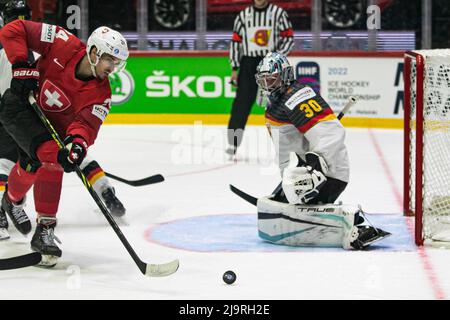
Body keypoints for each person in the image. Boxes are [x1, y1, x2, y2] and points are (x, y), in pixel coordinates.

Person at [0, 15, 128, 266]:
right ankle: (45, 229)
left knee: (30, 165)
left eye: (116, 62)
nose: (112, 68)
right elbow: (13, 29)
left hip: (50, 128)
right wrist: (21, 64)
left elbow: (86, 125)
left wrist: (78, 143)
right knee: (53, 157)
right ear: (93, 51)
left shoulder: (101, 94)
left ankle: (11, 200)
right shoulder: (62, 41)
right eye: (109, 60)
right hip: (21, 108)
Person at [252, 51, 390, 250]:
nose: (268, 85)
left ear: (285, 76)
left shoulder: (296, 97)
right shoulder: (276, 104)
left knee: (289, 208)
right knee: (277, 208)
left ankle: (354, 222)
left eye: (272, 80)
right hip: (301, 174)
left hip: (326, 174)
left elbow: (331, 133)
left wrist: (313, 166)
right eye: (264, 81)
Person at [226, 0, 294, 156]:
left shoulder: (278, 13)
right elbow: (236, 42)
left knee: (281, 103)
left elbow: (288, 37)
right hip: (249, 63)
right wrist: (235, 68)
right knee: (241, 104)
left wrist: (277, 58)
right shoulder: (243, 16)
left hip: (271, 63)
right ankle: (233, 144)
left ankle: (289, 144)